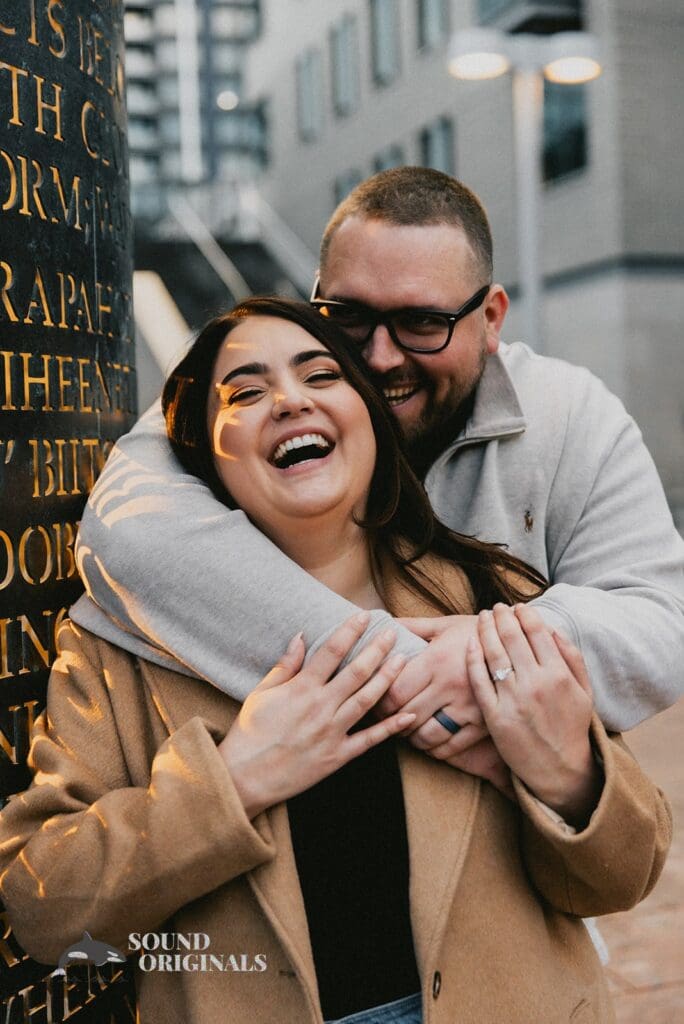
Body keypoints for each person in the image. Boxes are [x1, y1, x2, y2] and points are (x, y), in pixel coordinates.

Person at [0, 299, 671, 1024]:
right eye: (245, 393)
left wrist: (563, 776)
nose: (290, 401)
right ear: (200, 454)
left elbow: (622, 878)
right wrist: (232, 782)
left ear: (370, 420)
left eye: (321, 375)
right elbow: (49, 917)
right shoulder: (119, 647)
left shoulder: (487, 592)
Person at [70, 167, 684, 781]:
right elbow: (127, 531)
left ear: (492, 318)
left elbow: (663, 622)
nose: (380, 356)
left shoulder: (571, 415)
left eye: (422, 323)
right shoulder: (234, 413)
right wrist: (410, 678)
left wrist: (492, 660)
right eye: (349, 316)